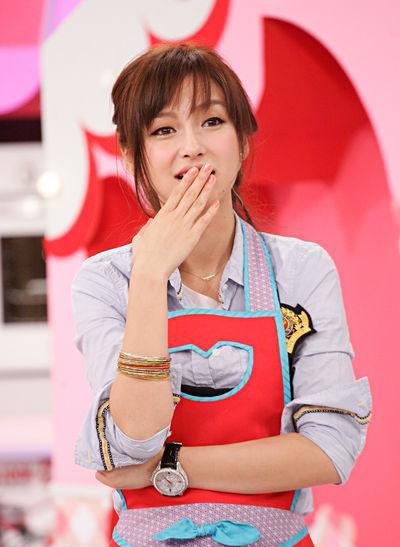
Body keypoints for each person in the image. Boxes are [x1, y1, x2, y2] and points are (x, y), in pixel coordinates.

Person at [71, 43, 371, 547]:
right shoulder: (106, 281)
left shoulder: (302, 270)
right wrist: (150, 277)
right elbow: (130, 442)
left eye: (211, 121)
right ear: (133, 155)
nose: (192, 147)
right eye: (164, 130)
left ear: (243, 142)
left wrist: (170, 464)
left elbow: (329, 450)